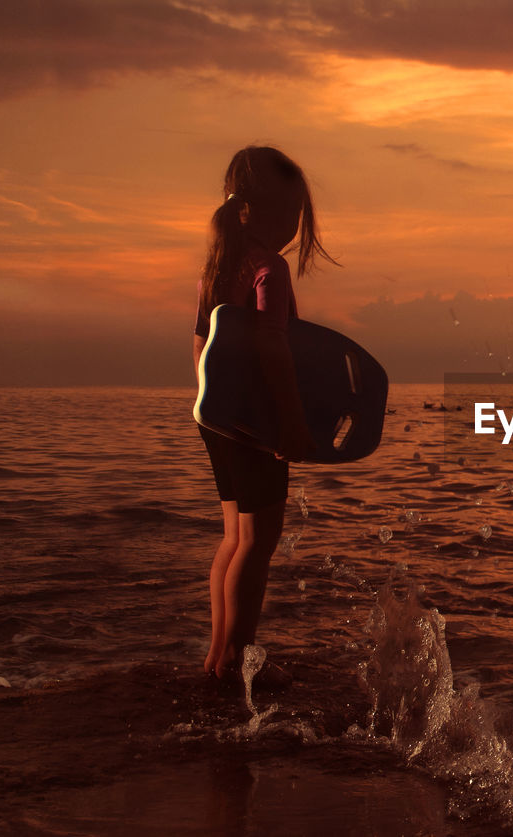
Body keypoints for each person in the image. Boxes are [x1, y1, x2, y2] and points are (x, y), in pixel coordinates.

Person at [192, 146, 336, 680]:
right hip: (256, 423)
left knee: (233, 536)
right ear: (261, 211)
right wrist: (292, 423)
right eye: (292, 212)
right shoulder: (268, 268)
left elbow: (199, 345)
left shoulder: (219, 265)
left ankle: (216, 654)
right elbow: (276, 350)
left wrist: (213, 406)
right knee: (258, 540)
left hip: (217, 417)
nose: (296, 225)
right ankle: (234, 655)